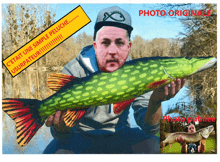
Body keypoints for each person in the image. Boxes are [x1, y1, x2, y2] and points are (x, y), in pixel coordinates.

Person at [43, 6, 185, 154]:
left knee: (159, 148)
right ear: (96, 45)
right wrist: (60, 125)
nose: (112, 50)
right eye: (105, 42)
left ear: (128, 46)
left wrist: (155, 102)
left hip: (121, 134)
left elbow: (150, 128)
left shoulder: (138, 72)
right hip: (80, 137)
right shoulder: (74, 70)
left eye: (119, 42)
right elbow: (60, 134)